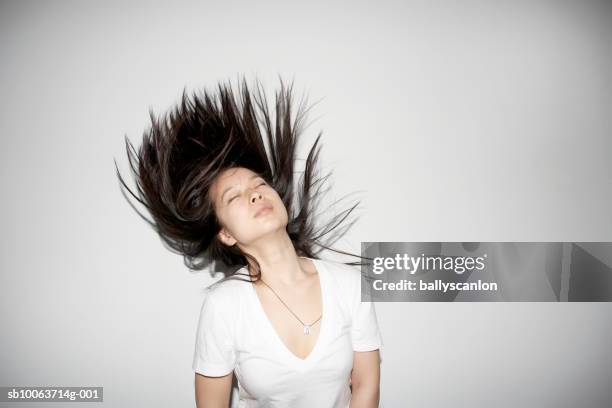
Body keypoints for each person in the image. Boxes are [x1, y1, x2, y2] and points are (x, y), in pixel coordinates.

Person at [116, 77, 383, 407]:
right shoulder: (224, 306)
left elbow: (366, 386)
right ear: (225, 234)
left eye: (258, 184)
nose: (255, 194)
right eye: (235, 197)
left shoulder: (350, 285)